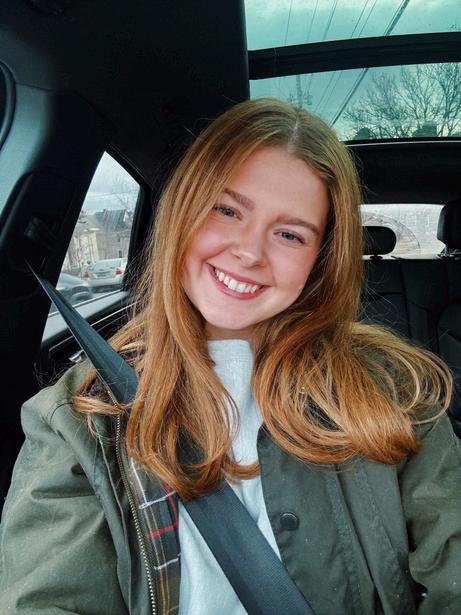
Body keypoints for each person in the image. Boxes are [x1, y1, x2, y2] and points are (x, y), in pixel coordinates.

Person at [1, 98, 460, 615]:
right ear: (183, 211)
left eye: (289, 234)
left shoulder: (395, 393)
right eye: (227, 210)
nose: (250, 252)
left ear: (320, 259)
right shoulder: (80, 418)